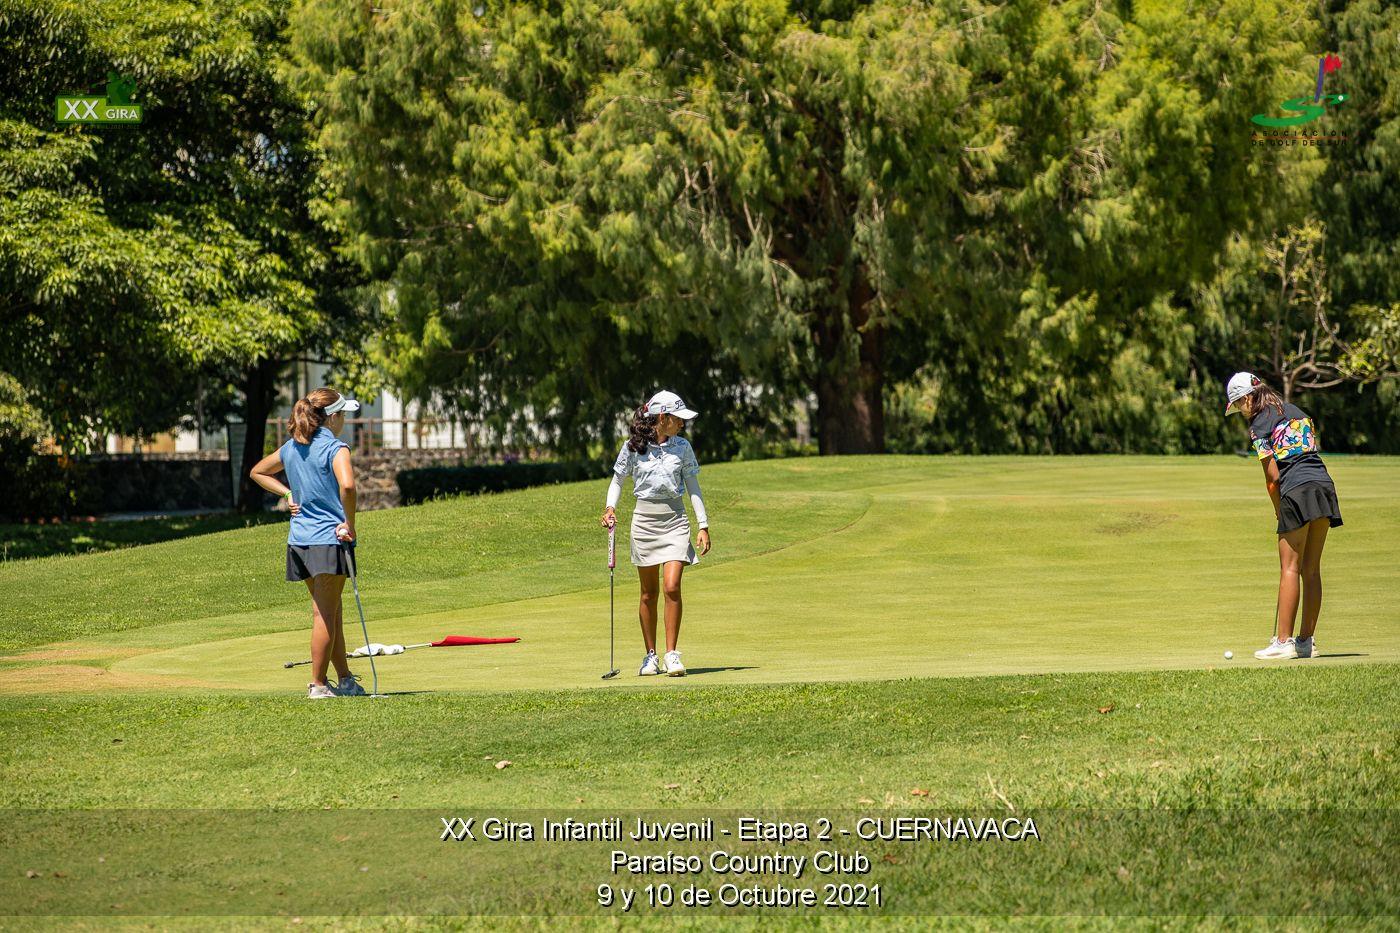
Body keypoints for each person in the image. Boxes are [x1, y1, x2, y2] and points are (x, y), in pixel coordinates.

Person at [250, 387, 366, 698]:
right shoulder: (336, 448)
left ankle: (345, 680)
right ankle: (318, 684)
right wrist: (350, 524)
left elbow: (258, 472)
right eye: (343, 415)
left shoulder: (292, 447)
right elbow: (348, 486)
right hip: (329, 541)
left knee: (332, 611)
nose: (344, 421)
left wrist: (287, 493)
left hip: (300, 542)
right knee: (324, 614)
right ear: (333, 417)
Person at [1224, 372, 1342, 660]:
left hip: (1296, 491)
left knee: (1289, 567)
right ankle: (1305, 642)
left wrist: (1279, 509)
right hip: (1323, 486)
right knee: (1311, 570)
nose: (1240, 411)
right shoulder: (1295, 411)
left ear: (1248, 398)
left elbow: (1273, 478)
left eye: (1238, 404)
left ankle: (1283, 642)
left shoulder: (1258, 424)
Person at [600, 391, 712, 677]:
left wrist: (703, 525)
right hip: (644, 523)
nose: (683, 424)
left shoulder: (683, 447)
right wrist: (610, 508)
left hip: (675, 520)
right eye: (678, 419)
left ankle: (671, 654)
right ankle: (650, 656)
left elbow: (693, 487)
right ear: (662, 418)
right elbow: (618, 480)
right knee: (648, 593)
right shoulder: (633, 447)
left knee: (671, 587)